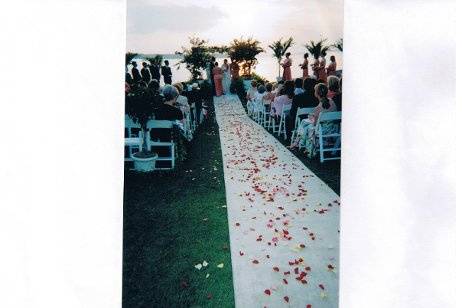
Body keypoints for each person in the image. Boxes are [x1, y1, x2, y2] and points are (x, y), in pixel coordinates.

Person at [291, 83, 337, 154]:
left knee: (305, 125)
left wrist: (311, 117)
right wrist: (314, 116)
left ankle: (299, 144)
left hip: (322, 130)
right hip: (333, 128)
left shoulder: (318, 108)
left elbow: (315, 124)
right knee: (304, 123)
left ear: (316, 93)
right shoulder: (332, 102)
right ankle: (298, 144)